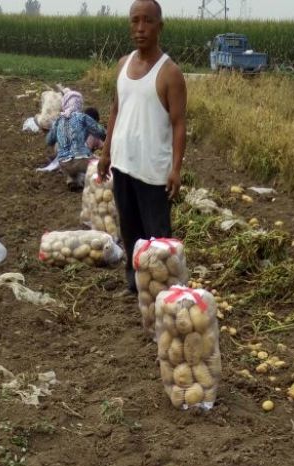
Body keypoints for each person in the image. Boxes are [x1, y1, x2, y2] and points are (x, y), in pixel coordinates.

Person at [98, 0, 187, 292]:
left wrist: (176, 169)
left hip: (152, 171)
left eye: (147, 21)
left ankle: (166, 293)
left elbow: (178, 124)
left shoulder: (169, 73)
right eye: (134, 21)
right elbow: (115, 109)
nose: (140, 28)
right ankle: (135, 284)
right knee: (130, 230)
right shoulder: (123, 64)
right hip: (123, 164)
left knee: (158, 239)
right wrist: (106, 151)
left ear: (159, 26)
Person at [45, 90, 106, 190]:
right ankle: (94, 181)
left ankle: (72, 180)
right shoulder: (82, 117)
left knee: (70, 165)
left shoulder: (58, 120)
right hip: (82, 160)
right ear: (80, 104)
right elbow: (102, 133)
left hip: (64, 163)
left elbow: (49, 140)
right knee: (101, 165)